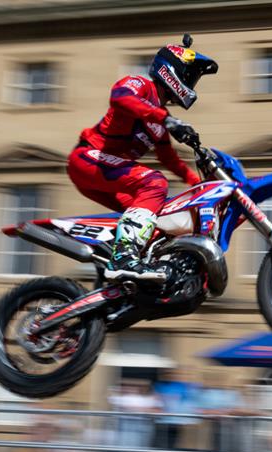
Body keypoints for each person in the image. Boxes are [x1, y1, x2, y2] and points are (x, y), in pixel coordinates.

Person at [67, 35, 218, 280]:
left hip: (105, 174)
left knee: (159, 212)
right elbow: (120, 97)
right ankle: (123, 259)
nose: (192, 84)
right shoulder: (140, 85)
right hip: (89, 158)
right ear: (173, 71)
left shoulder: (160, 120)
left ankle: (120, 270)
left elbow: (170, 160)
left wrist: (197, 184)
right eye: (190, 76)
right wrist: (166, 119)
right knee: (154, 183)